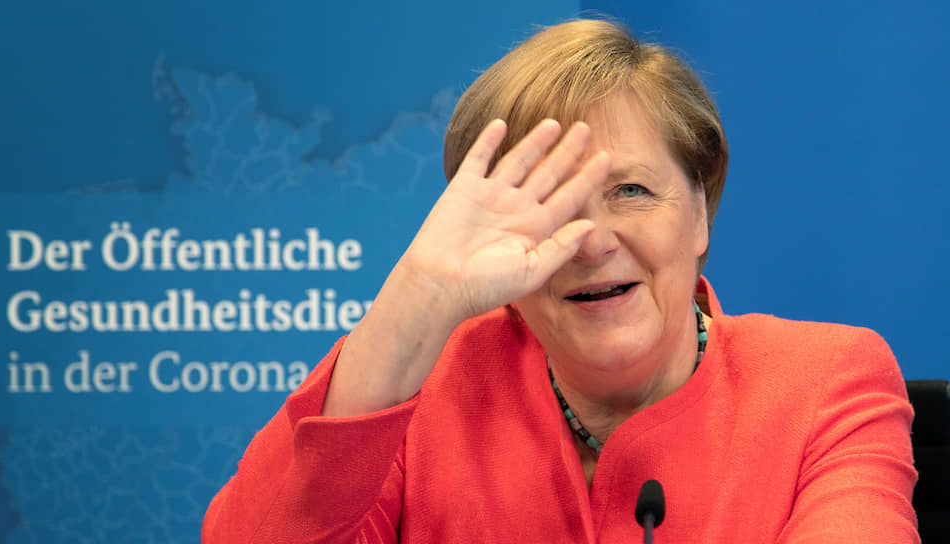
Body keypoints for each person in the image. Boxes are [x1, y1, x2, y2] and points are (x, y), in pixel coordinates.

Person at [202, 19, 918, 543]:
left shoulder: (826, 383)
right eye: (547, 207)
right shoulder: (419, 395)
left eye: (631, 191)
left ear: (699, 211)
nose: (592, 242)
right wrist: (412, 300)